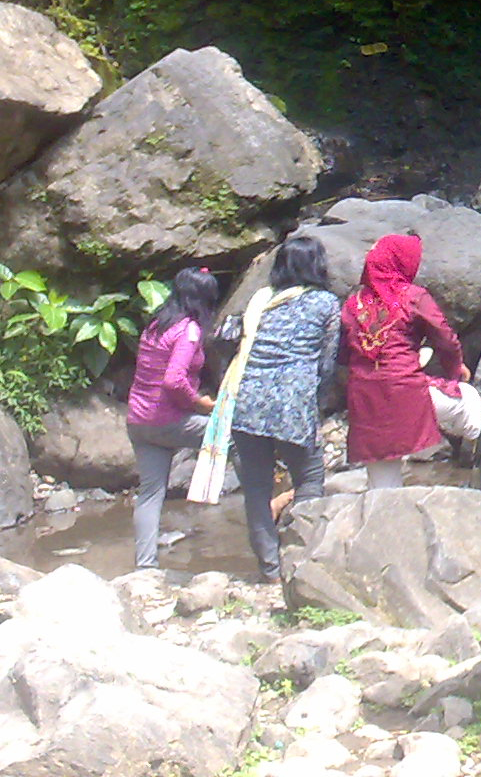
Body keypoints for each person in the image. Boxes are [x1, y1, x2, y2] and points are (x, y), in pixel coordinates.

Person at [215, 236, 341, 581]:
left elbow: (225, 336)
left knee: (256, 490)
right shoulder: (325, 303)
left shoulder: (260, 301)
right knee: (310, 479)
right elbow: (327, 364)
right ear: (317, 265)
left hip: (248, 402)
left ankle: (270, 569)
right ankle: (302, 563)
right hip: (293, 404)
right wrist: (317, 405)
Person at [341, 232, 467, 489]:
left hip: (365, 402)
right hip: (407, 395)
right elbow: (444, 337)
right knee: (470, 405)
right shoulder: (413, 296)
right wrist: (455, 369)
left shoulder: (352, 304)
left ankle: (385, 524)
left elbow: (344, 355)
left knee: (383, 486)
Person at [126, 266, 219, 569]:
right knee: (231, 436)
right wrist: (199, 404)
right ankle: (259, 510)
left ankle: (145, 566)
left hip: (138, 421)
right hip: (167, 420)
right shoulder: (189, 330)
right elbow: (174, 379)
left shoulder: (156, 324)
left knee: (150, 493)